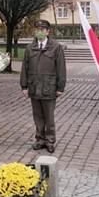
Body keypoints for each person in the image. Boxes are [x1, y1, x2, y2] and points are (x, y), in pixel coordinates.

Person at [20, 19, 66, 153]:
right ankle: (39, 139)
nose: (39, 32)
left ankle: (50, 140)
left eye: (42, 30)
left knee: (49, 116)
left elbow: (61, 68)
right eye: (37, 30)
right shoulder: (30, 48)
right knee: (37, 116)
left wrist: (60, 87)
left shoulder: (56, 47)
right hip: (34, 87)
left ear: (47, 32)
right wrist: (24, 86)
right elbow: (25, 68)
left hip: (49, 87)